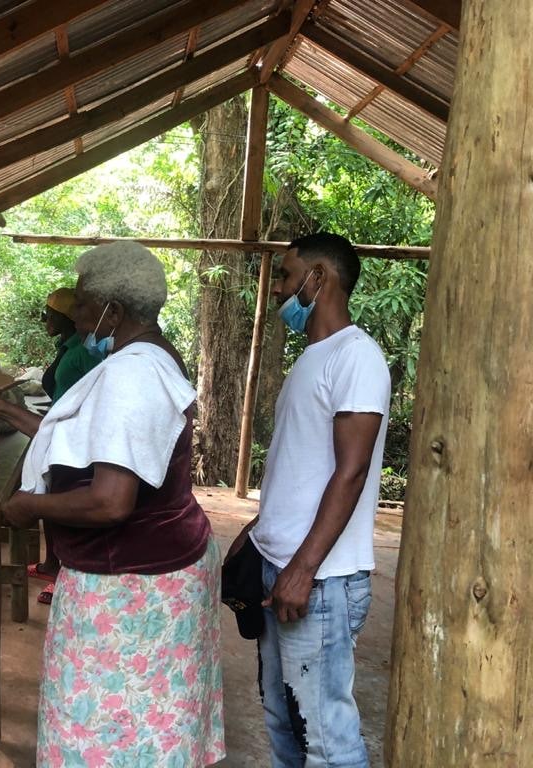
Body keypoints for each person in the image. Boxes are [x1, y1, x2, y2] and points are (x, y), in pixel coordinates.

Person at [0, 242, 225, 765]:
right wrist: (2, 408)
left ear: (114, 310)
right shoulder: (152, 356)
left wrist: (30, 507)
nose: (77, 316)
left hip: (132, 584)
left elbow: (110, 501)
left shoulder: (131, 375)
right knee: (146, 723)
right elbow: (89, 444)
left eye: (83, 304)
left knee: (112, 726)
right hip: (159, 564)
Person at [226, 233, 390, 767]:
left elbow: (351, 471)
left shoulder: (355, 356)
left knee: (326, 739)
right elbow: (301, 466)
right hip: (285, 567)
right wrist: (258, 530)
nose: (278, 289)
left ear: (318, 278)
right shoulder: (314, 359)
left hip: (321, 580)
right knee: (283, 718)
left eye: (286, 275)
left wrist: (303, 568)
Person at [27, 287, 100, 602]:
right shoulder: (67, 347)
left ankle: (61, 577)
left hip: (73, 441)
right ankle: (51, 563)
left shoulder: (84, 353)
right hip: (58, 435)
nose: (45, 320)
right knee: (52, 498)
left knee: (62, 507)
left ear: (68, 318)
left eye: (50, 315)